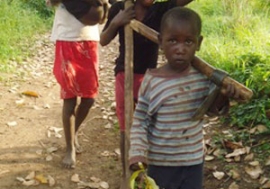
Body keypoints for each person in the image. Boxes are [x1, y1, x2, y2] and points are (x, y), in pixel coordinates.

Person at [129, 7, 240, 189]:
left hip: (193, 161)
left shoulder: (204, 78)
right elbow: (141, 120)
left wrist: (222, 94)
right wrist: (138, 153)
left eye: (188, 42)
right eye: (172, 41)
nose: (180, 49)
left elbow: (211, 110)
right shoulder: (153, 80)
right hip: (161, 162)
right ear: (160, 41)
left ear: (199, 43)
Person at [99, 0, 194, 178]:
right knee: (126, 125)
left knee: (149, 124)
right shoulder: (121, 8)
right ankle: (127, 173)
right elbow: (103, 40)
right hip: (124, 74)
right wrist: (116, 22)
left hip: (151, 78)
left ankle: (148, 169)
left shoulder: (161, 10)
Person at [46, 0, 105, 169]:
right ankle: (69, 147)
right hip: (66, 38)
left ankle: (74, 131)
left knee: (89, 98)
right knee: (70, 98)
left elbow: (103, 11)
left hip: (90, 39)